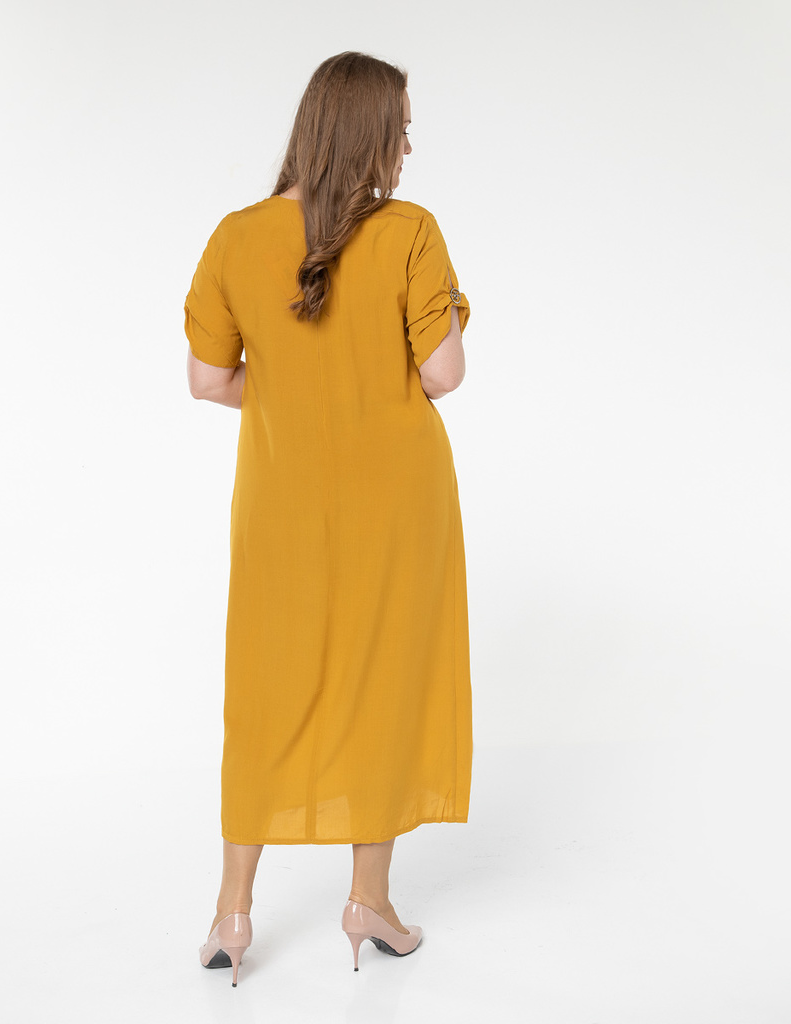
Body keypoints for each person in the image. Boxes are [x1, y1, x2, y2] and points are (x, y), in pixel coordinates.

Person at [184, 51, 472, 986]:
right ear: (369, 133)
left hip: (281, 505)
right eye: (402, 128)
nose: (409, 146)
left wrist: (290, 393)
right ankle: (368, 903)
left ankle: (232, 913)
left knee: (264, 689)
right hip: (396, 504)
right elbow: (444, 374)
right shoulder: (409, 231)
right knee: (381, 681)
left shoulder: (236, 237)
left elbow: (208, 379)